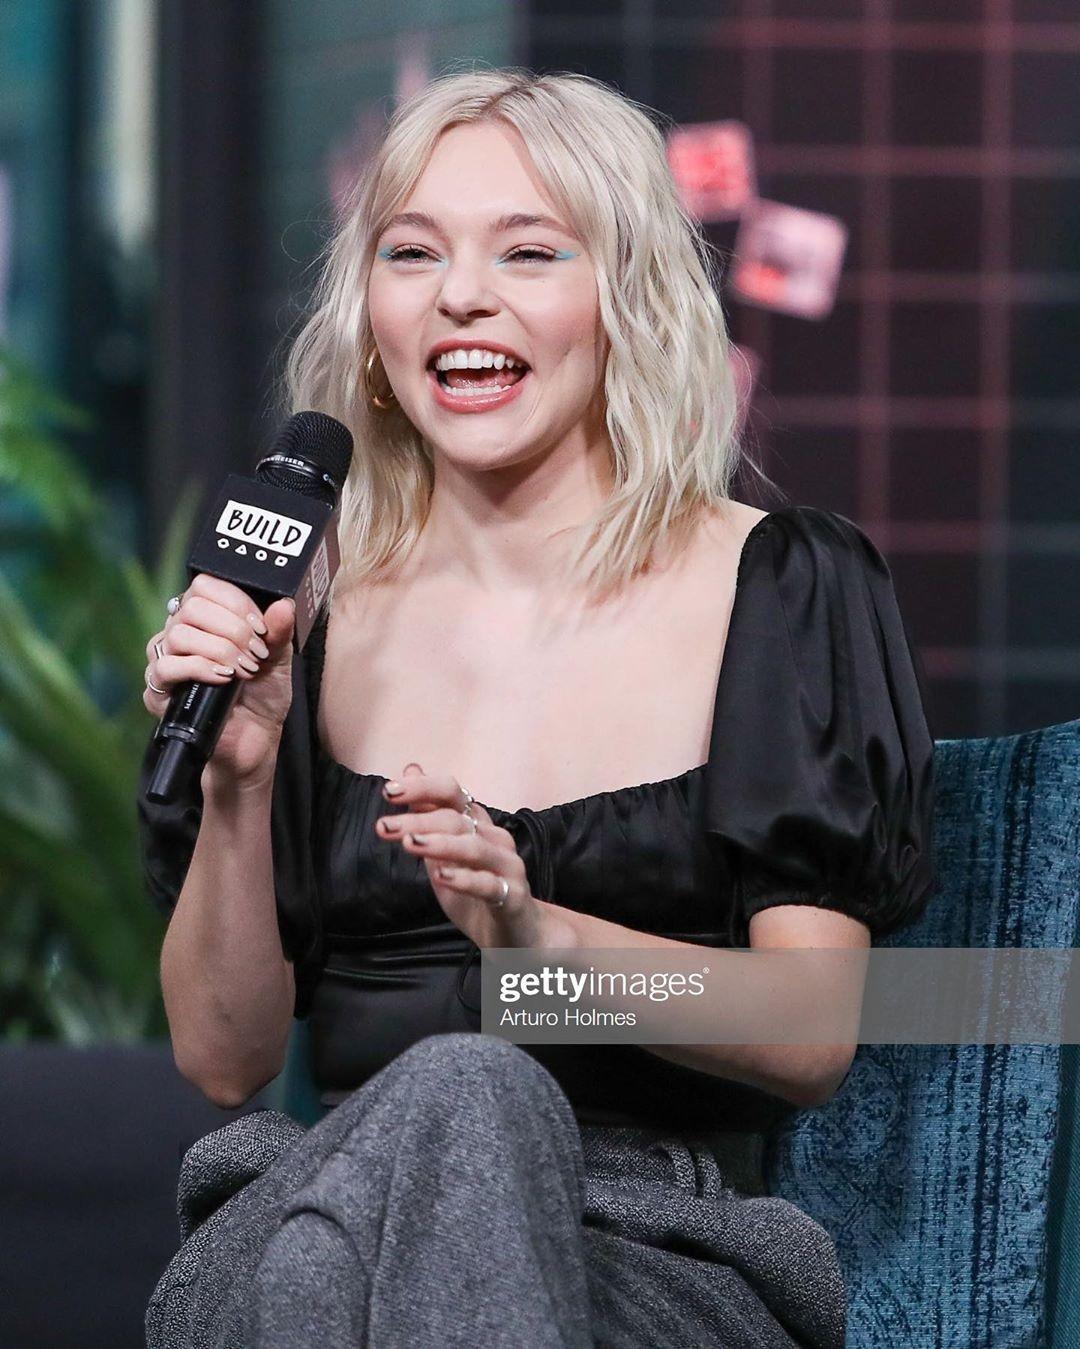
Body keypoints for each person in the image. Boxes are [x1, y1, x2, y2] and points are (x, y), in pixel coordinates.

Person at [137, 68, 935, 1348]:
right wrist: (240, 778)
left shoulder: (779, 582)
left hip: (642, 1247)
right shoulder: (306, 614)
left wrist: (534, 941)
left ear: (628, 297)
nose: (461, 294)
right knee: (364, 1197)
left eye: (528, 250)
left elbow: (810, 1033)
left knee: (465, 1093)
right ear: (372, 315)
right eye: (413, 252)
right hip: (321, 1200)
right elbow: (225, 1060)